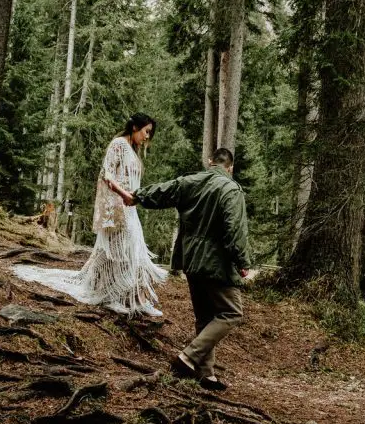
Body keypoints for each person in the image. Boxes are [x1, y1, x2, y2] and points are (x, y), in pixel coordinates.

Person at [111, 147, 250, 390]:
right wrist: (243, 261)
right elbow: (234, 229)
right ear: (231, 167)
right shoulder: (230, 189)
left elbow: (163, 191)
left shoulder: (190, 182)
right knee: (232, 313)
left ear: (210, 162)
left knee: (205, 316)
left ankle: (205, 374)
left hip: (190, 259)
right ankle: (188, 356)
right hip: (215, 262)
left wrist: (137, 196)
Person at [14, 113, 167, 317]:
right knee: (117, 253)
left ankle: (135, 299)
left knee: (130, 252)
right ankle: (111, 296)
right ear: (135, 127)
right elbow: (107, 175)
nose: (148, 136)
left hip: (129, 209)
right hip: (116, 208)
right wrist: (124, 195)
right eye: (146, 131)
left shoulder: (132, 149)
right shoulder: (118, 144)